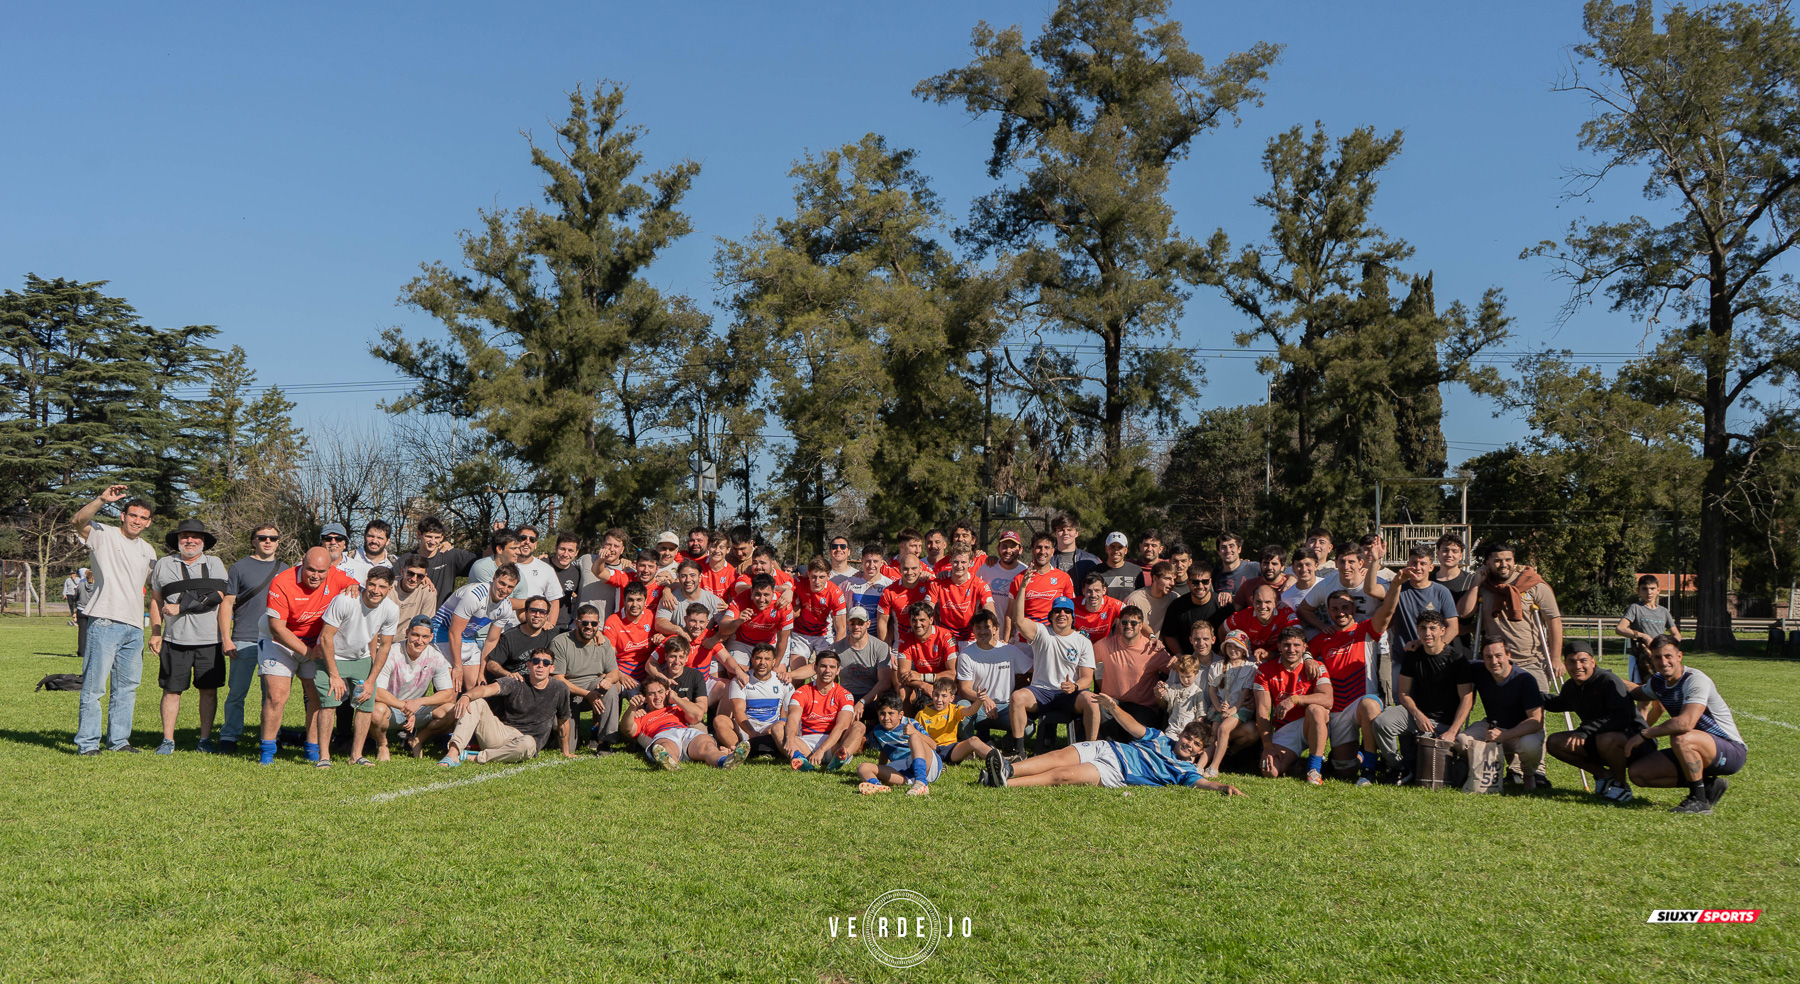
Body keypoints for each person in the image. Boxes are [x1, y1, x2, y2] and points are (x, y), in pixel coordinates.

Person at [982, 694, 1244, 795]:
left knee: (1064, 776)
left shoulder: (1185, 772)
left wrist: (1223, 787)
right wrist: (1113, 708)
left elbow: (1205, 784)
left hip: (1117, 772)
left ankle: (1004, 783)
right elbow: (1132, 726)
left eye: (1196, 744)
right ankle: (1006, 769)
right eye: (1188, 737)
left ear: (1199, 751)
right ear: (1182, 733)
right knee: (1059, 756)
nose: (1188, 744)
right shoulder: (1161, 738)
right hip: (1109, 749)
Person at [70, 485, 159, 755]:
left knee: (127, 688)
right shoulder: (103, 534)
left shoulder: (149, 551)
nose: (137, 521)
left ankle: (119, 742)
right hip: (105, 621)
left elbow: (157, 590)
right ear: (123, 515)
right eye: (133, 515)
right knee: (95, 687)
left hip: (134, 627)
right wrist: (100, 499)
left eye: (143, 518)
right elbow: (77, 521)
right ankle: (87, 744)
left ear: (148, 522)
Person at [1306, 549, 1404, 786]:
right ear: (1328, 612)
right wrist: (1309, 658)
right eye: (1335, 609)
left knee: (1370, 705)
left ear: (1354, 610)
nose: (1340, 612)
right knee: (1344, 769)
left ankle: (1369, 769)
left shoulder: (1365, 630)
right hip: (1337, 707)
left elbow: (1388, 611)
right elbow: (1305, 651)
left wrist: (1397, 585)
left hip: (1361, 699)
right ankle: (1358, 757)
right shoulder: (1322, 638)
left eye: (1345, 608)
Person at [258, 547, 362, 765]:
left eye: (321, 571)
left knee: (316, 696)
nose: (316, 575)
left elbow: (356, 587)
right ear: (302, 563)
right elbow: (277, 628)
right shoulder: (281, 582)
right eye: (310, 569)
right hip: (279, 642)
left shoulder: (336, 576)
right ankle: (267, 751)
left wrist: (353, 586)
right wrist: (308, 652)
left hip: (315, 643)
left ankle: (312, 749)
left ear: (330, 569)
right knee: (277, 695)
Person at [1623, 636, 1748, 814]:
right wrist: (1606, 677)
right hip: (1694, 747)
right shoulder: (1658, 681)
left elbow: (1684, 723)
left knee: (1681, 736)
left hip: (1729, 749)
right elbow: (1637, 692)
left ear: (1679, 656)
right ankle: (1710, 785)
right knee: (1639, 773)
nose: (1663, 662)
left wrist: (1644, 734)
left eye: (1668, 656)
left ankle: (1699, 800)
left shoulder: (1695, 680)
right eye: (1657, 657)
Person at [149, 518, 230, 755]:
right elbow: (156, 599)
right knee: (171, 690)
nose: (190, 540)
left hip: (209, 640)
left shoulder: (214, 563)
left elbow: (217, 595)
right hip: (175, 640)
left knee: (208, 690)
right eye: (185, 536)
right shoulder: (164, 564)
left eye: (195, 536)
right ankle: (168, 740)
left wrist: (181, 606)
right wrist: (155, 632)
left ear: (203, 541)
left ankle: (204, 739)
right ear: (178, 540)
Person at [1367, 610, 1476, 783]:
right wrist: (1418, 715)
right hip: (1417, 715)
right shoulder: (1413, 655)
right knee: (1382, 722)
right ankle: (1399, 767)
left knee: (1427, 763)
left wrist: (1452, 731)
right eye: (1423, 628)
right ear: (1417, 630)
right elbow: (1403, 693)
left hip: (1443, 724)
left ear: (1442, 630)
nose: (1428, 633)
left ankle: (1419, 767)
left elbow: (1467, 699)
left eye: (1433, 628)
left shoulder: (1457, 659)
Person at [1543, 643, 1654, 805]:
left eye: (1583, 661)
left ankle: (1621, 785)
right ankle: (1604, 775)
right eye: (1572, 662)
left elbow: (1621, 718)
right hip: (1601, 741)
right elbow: (1559, 703)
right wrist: (1531, 694)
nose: (1577, 666)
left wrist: (1585, 730)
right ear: (1565, 664)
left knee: (1606, 737)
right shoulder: (1571, 686)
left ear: (1593, 662)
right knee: (1554, 742)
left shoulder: (1608, 681)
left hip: (1637, 741)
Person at [315, 566, 401, 767]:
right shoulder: (345, 600)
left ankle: (356, 756)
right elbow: (326, 637)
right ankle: (324, 757)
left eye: (382, 586)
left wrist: (371, 680)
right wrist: (334, 675)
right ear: (365, 583)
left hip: (360, 659)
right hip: (332, 656)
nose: (375, 590)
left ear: (389, 588)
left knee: (365, 704)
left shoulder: (391, 609)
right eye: (372, 584)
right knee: (329, 703)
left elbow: (385, 646)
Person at [438, 647, 573, 766]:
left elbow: (563, 721)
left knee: (527, 743)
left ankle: (473, 757)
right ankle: (453, 754)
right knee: (475, 702)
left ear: (552, 668)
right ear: (529, 665)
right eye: (536, 662)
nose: (540, 666)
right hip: (503, 733)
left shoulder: (560, 688)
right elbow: (486, 690)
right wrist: (466, 696)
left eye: (546, 663)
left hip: (527, 742)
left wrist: (565, 752)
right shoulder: (516, 681)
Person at [1461, 542, 1562, 695]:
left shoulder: (1534, 585)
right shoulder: (1484, 587)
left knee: (1534, 710)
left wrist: (1555, 658)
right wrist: (1476, 582)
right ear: (1487, 563)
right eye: (1497, 561)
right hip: (1497, 663)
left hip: (1533, 661)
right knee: (1503, 712)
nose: (1504, 564)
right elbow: (1464, 612)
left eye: (1508, 560)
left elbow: (1553, 620)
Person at [1007, 595, 1098, 757]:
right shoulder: (1042, 632)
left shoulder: (1082, 641)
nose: (1061, 614)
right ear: (1051, 616)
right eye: (1057, 611)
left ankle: (1091, 751)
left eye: (1066, 611)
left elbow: (1087, 678)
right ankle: (1019, 750)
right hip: (1041, 691)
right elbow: (1019, 621)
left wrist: (1075, 686)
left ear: (1072, 617)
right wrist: (1022, 588)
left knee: (1092, 701)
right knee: (1017, 697)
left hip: (1069, 694)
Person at [220, 524, 283, 753]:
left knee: (273, 695)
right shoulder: (239, 567)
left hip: (275, 642)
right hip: (244, 638)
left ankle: (269, 738)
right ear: (253, 541)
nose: (268, 541)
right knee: (237, 692)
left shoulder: (286, 569)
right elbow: (227, 604)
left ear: (278, 541)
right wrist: (226, 638)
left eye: (273, 538)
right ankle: (229, 737)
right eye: (262, 537)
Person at [1458, 638, 1548, 793]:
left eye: (1498, 655)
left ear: (1508, 655)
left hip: (1522, 731)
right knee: (1461, 741)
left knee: (1530, 746)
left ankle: (1528, 775)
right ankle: (1484, 771)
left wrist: (1503, 735)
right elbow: (1453, 661)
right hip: (1492, 726)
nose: (1494, 661)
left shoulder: (1525, 679)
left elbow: (1536, 721)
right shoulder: (1478, 669)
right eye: (1488, 657)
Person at [1378, 545, 1460, 704]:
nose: (1417, 567)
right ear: (1407, 564)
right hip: (1402, 659)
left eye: (1422, 563)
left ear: (1431, 567)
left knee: (1432, 705)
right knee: (1403, 704)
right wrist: (1376, 560)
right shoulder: (1398, 588)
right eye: (1414, 562)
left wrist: (1429, 647)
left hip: (1432, 659)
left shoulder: (1441, 592)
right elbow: (1372, 590)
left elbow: (1453, 627)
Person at [1253, 626, 1334, 784]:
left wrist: (1295, 699)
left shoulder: (1317, 666)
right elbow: (1262, 710)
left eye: (1297, 645)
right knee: (1270, 771)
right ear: (1279, 647)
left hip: (1311, 723)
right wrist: (1268, 746)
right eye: (1287, 645)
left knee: (1316, 709)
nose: (1292, 649)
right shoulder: (1264, 670)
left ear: (1304, 647)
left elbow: (1328, 700)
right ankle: (1296, 764)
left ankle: (1314, 769)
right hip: (1286, 728)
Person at [371, 616, 457, 759]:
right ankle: (383, 744)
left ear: (431, 637)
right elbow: (378, 692)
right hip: (390, 706)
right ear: (407, 633)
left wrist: (418, 702)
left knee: (452, 710)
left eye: (424, 637)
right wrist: (406, 707)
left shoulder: (436, 657)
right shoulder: (391, 653)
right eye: (415, 635)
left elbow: (447, 694)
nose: (419, 641)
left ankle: (418, 739)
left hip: (418, 709)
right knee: (375, 712)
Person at [430, 564, 521, 693]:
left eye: (510, 587)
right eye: (502, 583)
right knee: (451, 692)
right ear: (494, 578)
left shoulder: (506, 607)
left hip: (467, 636)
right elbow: (454, 631)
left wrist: (481, 673)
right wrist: (457, 666)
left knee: (476, 690)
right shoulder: (475, 595)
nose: (504, 589)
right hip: (443, 632)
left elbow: (491, 640)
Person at [1087, 604, 1173, 741]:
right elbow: (1084, 661)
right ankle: (1109, 751)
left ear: (1141, 626)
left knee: (1138, 741)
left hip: (1143, 707)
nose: (1128, 626)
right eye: (1124, 622)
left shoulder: (1153, 651)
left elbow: (1175, 671)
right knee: (1099, 706)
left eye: (1133, 623)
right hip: (1112, 702)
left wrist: (1165, 689)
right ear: (1119, 624)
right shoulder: (1105, 645)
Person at [623, 675, 739, 771]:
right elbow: (627, 730)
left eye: (660, 692)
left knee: (708, 745)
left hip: (685, 732)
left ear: (666, 693)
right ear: (645, 698)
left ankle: (724, 761)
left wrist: (676, 699)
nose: (657, 696)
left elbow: (698, 715)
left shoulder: (676, 708)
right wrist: (632, 708)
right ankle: (670, 762)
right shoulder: (642, 716)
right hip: (663, 735)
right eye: (651, 694)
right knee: (666, 746)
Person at [551, 604, 622, 751]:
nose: (589, 627)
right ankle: (557, 732)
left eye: (594, 623)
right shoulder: (560, 642)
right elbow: (558, 679)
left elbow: (614, 672)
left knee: (612, 689)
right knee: (570, 747)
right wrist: (588, 695)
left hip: (593, 687)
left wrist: (607, 681)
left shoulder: (603, 643)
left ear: (598, 625)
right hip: (568, 693)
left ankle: (604, 741)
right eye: (585, 623)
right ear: (576, 623)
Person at [955, 609, 1031, 743]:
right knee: (961, 707)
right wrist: (984, 700)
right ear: (973, 630)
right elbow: (965, 690)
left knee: (1028, 729)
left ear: (995, 629)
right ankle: (972, 745)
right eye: (978, 627)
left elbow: (1033, 669)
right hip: (978, 706)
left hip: (1005, 706)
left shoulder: (1009, 650)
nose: (982, 631)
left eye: (987, 627)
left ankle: (1006, 741)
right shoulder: (966, 655)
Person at [784, 651, 861, 770]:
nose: (827, 670)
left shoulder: (845, 695)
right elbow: (793, 718)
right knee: (778, 727)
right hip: (806, 743)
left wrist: (822, 750)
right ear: (815, 668)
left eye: (832, 667)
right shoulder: (801, 692)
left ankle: (838, 760)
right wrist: (790, 739)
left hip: (833, 745)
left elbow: (842, 725)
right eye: (823, 666)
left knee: (859, 727)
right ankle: (800, 759)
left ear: (838, 670)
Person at [856, 692, 944, 796]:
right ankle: (878, 786)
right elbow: (884, 751)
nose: (886, 718)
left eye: (891, 713)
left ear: (900, 714)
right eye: (882, 713)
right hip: (903, 771)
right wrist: (880, 770)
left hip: (927, 766)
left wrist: (915, 732)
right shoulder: (877, 731)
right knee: (862, 767)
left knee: (914, 737)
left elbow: (933, 746)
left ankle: (921, 783)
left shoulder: (910, 723)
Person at [716, 643, 793, 757]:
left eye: (767, 659)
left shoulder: (782, 682)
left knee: (782, 725)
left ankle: (745, 751)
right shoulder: (740, 680)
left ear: (774, 662)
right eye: (758, 658)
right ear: (752, 660)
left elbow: (791, 712)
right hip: (746, 728)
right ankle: (740, 752)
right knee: (720, 720)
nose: (762, 662)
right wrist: (751, 732)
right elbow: (738, 711)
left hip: (770, 729)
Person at [604, 581, 684, 691]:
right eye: (630, 600)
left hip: (648, 668)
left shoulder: (652, 616)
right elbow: (609, 657)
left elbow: (669, 641)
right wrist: (620, 675)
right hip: (623, 669)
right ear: (624, 600)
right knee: (611, 689)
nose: (634, 604)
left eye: (639, 600)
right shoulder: (612, 621)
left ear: (645, 601)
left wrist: (662, 638)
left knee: (669, 678)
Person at [1201, 629, 1259, 778]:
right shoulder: (1218, 666)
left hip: (1240, 708)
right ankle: (1200, 766)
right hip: (1220, 706)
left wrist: (1234, 709)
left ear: (1244, 649)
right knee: (1214, 733)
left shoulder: (1250, 668)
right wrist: (1219, 706)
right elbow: (1212, 691)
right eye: (1229, 646)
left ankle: (1214, 767)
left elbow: (1245, 692)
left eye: (1237, 646)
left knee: (1224, 728)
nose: (1233, 650)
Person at [1009, 532, 1076, 642]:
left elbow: (1072, 610)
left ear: (1052, 551)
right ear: (1032, 550)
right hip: (1025, 640)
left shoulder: (1064, 578)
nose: (1043, 552)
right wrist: (1006, 639)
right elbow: (1010, 613)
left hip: (1054, 638)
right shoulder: (1019, 579)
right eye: (1039, 547)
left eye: (1047, 548)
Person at [832, 607, 896, 721]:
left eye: (860, 623)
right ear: (847, 624)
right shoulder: (836, 648)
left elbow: (885, 682)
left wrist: (863, 701)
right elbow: (830, 679)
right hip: (846, 696)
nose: (856, 627)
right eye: (853, 623)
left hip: (872, 695)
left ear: (868, 623)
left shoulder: (880, 647)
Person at [1616, 574, 1679, 684]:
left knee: (1661, 691)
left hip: (1659, 658)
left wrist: (1669, 648)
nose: (1649, 592)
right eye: (1644, 589)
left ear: (1658, 590)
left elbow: (1676, 635)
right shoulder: (1635, 608)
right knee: (1643, 694)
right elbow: (1620, 629)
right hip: (1640, 658)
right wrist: (1643, 636)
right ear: (1638, 590)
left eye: (1652, 588)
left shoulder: (1664, 611)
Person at [916, 676, 991, 765]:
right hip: (931, 751)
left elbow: (970, 710)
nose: (939, 699)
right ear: (932, 694)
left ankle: (1000, 762)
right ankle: (935, 764)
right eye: (936, 695)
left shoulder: (954, 709)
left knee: (974, 740)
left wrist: (979, 701)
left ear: (952, 698)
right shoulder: (922, 715)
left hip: (951, 750)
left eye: (944, 696)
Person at [896, 602, 958, 708]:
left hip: (943, 684)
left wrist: (922, 677)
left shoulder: (946, 636)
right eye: (914, 620)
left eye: (922, 620)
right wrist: (923, 685)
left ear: (931, 620)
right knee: (902, 691)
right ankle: (909, 723)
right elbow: (902, 675)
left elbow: (952, 674)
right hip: (920, 684)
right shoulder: (905, 639)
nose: (918, 624)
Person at [930, 544, 995, 642]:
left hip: (970, 638)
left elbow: (991, 614)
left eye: (963, 562)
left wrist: (995, 641)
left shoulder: (979, 584)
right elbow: (927, 608)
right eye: (956, 562)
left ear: (970, 563)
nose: (959, 566)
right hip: (945, 638)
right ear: (950, 560)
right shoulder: (939, 581)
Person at [483, 596, 555, 681]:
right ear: (526, 612)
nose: (537, 615)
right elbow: (491, 664)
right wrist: (508, 675)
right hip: (516, 684)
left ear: (547, 615)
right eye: (533, 611)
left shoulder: (553, 633)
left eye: (542, 612)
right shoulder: (509, 637)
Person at [1161, 567, 1227, 657]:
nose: (1200, 586)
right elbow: (1170, 635)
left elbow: (1232, 633)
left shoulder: (1223, 606)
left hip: (1218, 661)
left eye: (1205, 582)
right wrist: (1180, 655)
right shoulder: (1177, 606)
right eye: (1195, 582)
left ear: (1210, 581)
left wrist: (1220, 657)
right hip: (1188, 662)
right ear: (1188, 583)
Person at [790, 558, 848, 656]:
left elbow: (841, 629)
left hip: (824, 635)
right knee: (798, 667)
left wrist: (834, 655)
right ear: (808, 574)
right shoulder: (799, 582)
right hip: (800, 633)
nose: (817, 581)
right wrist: (788, 590)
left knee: (826, 666)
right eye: (814, 576)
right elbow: (779, 583)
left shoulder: (835, 593)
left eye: (821, 577)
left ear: (829, 576)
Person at [1224, 585, 1298, 659]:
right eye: (1258, 602)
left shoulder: (1285, 612)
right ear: (1253, 601)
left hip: (1279, 658)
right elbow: (1222, 630)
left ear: (1275, 602)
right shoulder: (1244, 616)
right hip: (1250, 659)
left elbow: (1298, 637)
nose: (1263, 606)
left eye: (1267, 602)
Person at [413, 516, 477, 601]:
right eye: (429, 536)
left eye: (437, 537)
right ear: (419, 534)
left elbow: (485, 559)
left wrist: (497, 536)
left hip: (443, 613)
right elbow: (393, 582)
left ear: (442, 538)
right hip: (414, 613)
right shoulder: (406, 559)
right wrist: (417, 577)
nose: (432, 542)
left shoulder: (449, 555)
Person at [875, 555, 933, 644]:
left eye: (914, 568)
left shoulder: (929, 584)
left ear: (921, 568)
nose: (909, 572)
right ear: (900, 569)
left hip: (927, 642)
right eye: (906, 568)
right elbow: (882, 622)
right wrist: (885, 648)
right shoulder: (889, 591)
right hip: (901, 643)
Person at [976, 530, 1027, 631]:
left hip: (1015, 636)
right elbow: (975, 600)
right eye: (1004, 546)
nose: (1008, 550)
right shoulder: (986, 568)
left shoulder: (1025, 572)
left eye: (1012, 547)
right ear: (998, 548)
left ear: (1020, 550)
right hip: (988, 633)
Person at [657, 558, 724, 627]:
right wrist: (680, 631)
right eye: (683, 576)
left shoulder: (713, 600)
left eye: (692, 575)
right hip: (679, 637)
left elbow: (725, 625)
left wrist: (715, 637)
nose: (688, 580)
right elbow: (660, 623)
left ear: (700, 577)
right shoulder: (669, 599)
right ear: (678, 578)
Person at [1124, 560, 1180, 636]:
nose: (1172, 583)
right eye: (1167, 579)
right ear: (1155, 578)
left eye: (1174, 580)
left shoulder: (1174, 598)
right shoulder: (1135, 600)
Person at [1231, 544, 1292, 609]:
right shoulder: (1248, 585)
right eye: (1265, 563)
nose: (1269, 567)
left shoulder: (1291, 587)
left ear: (1282, 567)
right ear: (1260, 565)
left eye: (1274, 564)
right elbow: (1236, 612)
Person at [337, 520, 396, 585]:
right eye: (371, 536)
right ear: (364, 536)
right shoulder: (345, 558)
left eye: (380, 538)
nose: (374, 541)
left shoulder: (395, 563)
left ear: (387, 541)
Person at [546, 532, 584, 633]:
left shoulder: (577, 573)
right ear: (555, 548)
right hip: (537, 622)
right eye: (562, 549)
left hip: (562, 627)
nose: (565, 554)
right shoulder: (542, 565)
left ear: (576, 553)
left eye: (570, 550)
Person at [842, 543, 891, 618]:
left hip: (879, 629)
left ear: (881, 563)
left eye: (875, 561)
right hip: (854, 629)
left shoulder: (889, 585)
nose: (871, 566)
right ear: (862, 562)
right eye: (868, 561)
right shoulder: (848, 584)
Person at [1071, 572, 1123, 643]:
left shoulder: (1113, 604)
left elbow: (1133, 615)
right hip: (1080, 644)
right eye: (1089, 591)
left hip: (1104, 645)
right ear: (1083, 591)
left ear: (1104, 590)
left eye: (1097, 590)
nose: (1093, 595)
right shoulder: (1072, 604)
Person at [1048, 513, 1100, 583]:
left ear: (1076, 533)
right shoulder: (1047, 559)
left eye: (1069, 530)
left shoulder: (1091, 560)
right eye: (1061, 530)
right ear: (1055, 533)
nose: (1065, 533)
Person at [390, 553, 439, 624]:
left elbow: (425, 625)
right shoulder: (388, 588)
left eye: (420, 576)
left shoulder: (428, 592)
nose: (414, 579)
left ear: (425, 577)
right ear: (402, 571)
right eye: (410, 573)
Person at [1094, 532, 1144, 600]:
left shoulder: (1136, 571)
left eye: (1120, 547)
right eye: (1112, 547)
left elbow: (1141, 598)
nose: (1116, 551)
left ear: (1126, 550)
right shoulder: (1095, 572)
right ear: (1106, 549)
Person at [1213, 532, 1256, 601]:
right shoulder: (1214, 575)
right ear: (1218, 552)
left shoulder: (1255, 568)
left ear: (1239, 549)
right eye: (1224, 547)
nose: (1228, 550)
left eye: (1231, 546)